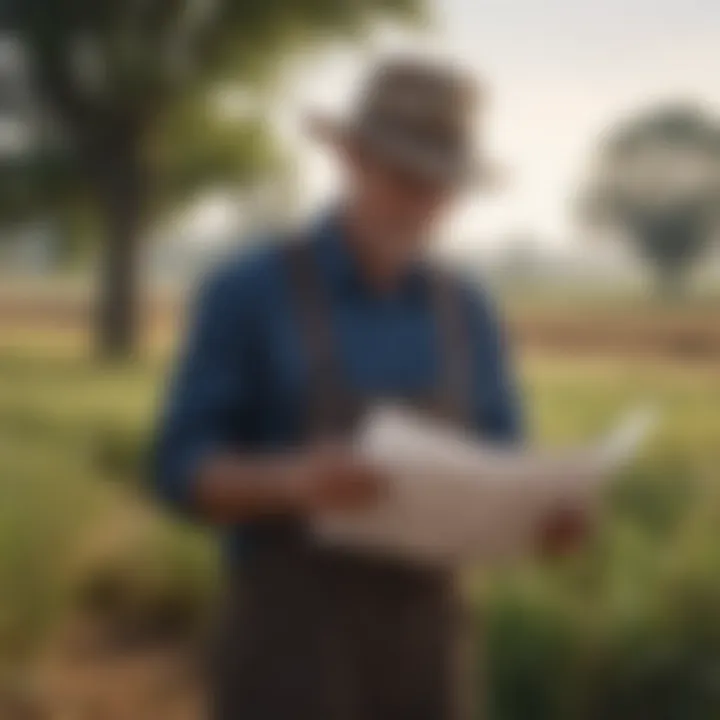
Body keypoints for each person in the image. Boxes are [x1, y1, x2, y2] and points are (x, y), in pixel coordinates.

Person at [153, 56, 525, 720]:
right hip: (287, 650)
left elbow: (506, 457)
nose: (425, 204)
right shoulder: (248, 292)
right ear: (352, 159)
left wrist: (542, 517)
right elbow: (179, 470)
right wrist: (292, 482)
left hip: (432, 651)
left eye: (444, 186)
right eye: (408, 178)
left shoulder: (467, 308)